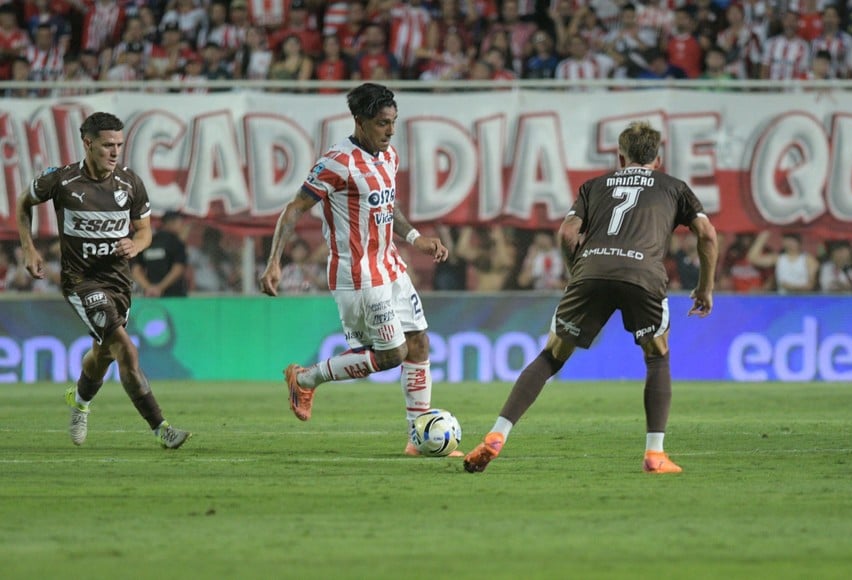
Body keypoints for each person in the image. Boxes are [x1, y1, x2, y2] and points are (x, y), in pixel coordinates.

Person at [463, 121, 718, 475]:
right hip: (643, 274)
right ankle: (655, 454)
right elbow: (706, 233)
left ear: (620, 156)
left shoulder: (594, 185)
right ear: (657, 160)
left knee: (551, 356)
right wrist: (705, 287)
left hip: (591, 271)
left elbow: (567, 233)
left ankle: (496, 434)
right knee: (657, 356)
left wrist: (575, 274)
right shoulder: (674, 187)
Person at [259, 83, 459, 457]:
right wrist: (274, 261)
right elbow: (294, 209)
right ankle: (305, 378)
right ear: (360, 121)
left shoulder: (388, 157)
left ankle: (418, 440)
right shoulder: (338, 162)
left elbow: (387, 206)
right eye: (383, 123)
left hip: (391, 266)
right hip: (358, 274)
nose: (390, 130)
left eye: (394, 122)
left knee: (419, 344)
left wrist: (416, 238)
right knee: (391, 355)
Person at [15, 112, 190, 449]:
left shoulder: (130, 183)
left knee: (102, 355)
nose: (115, 152)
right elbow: (24, 201)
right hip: (81, 282)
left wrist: (135, 245)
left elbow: (144, 232)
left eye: (119, 145)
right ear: (88, 143)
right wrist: (29, 249)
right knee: (125, 349)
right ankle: (162, 428)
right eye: (108, 145)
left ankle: (79, 402)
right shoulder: (62, 180)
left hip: (119, 283)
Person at [132, 210, 189, 297]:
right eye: (180, 223)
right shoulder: (176, 243)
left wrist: (149, 288)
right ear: (171, 223)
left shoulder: (148, 241)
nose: (182, 226)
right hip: (174, 295)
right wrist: (160, 288)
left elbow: (136, 269)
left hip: (150, 295)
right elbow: (178, 269)